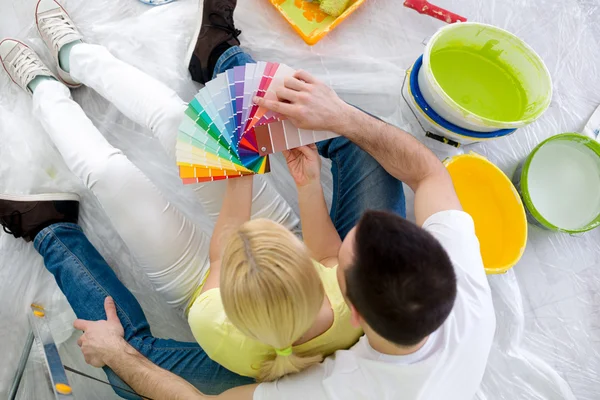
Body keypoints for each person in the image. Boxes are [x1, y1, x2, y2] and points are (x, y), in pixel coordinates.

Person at [61, 3, 497, 400]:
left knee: (128, 365)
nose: (335, 250)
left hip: (223, 302)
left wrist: (116, 354)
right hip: (276, 311)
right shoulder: (465, 302)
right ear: (443, 258)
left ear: (354, 312)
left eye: (342, 257)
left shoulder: (325, 387)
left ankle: (48, 229)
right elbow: (427, 174)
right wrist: (338, 119)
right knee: (357, 138)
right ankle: (220, 57)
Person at [0, 0, 405, 397]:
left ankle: (44, 90)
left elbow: (225, 246)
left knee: (111, 176)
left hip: (199, 283)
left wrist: (238, 175)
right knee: (180, 121)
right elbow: (327, 253)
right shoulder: (346, 300)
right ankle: (78, 59)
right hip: (253, 262)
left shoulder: (215, 326)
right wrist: (307, 183)